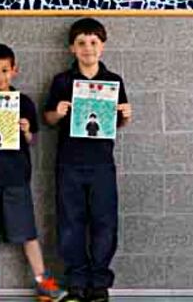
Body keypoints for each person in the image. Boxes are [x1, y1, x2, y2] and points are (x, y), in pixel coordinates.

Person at [0, 43, 67, 302]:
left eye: (5, 70)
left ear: (14, 70)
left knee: (27, 231)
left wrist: (26, 130)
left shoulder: (24, 102)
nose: (0, 77)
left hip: (16, 176)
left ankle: (43, 281)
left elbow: (32, 140)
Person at [44, 19, 132, 302]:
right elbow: (48, 118)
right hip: (69, 163)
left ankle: (99, 282)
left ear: (102, 46)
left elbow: (117, 122)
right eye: (81, 43)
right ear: (72, 48)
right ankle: (76, 281)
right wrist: (57, 112)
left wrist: (126, 115)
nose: (88, 48)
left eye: (93, 42)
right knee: (70, 223)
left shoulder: (113, 81)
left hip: (101, 164)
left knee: (105, 223)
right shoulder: (62, 81)